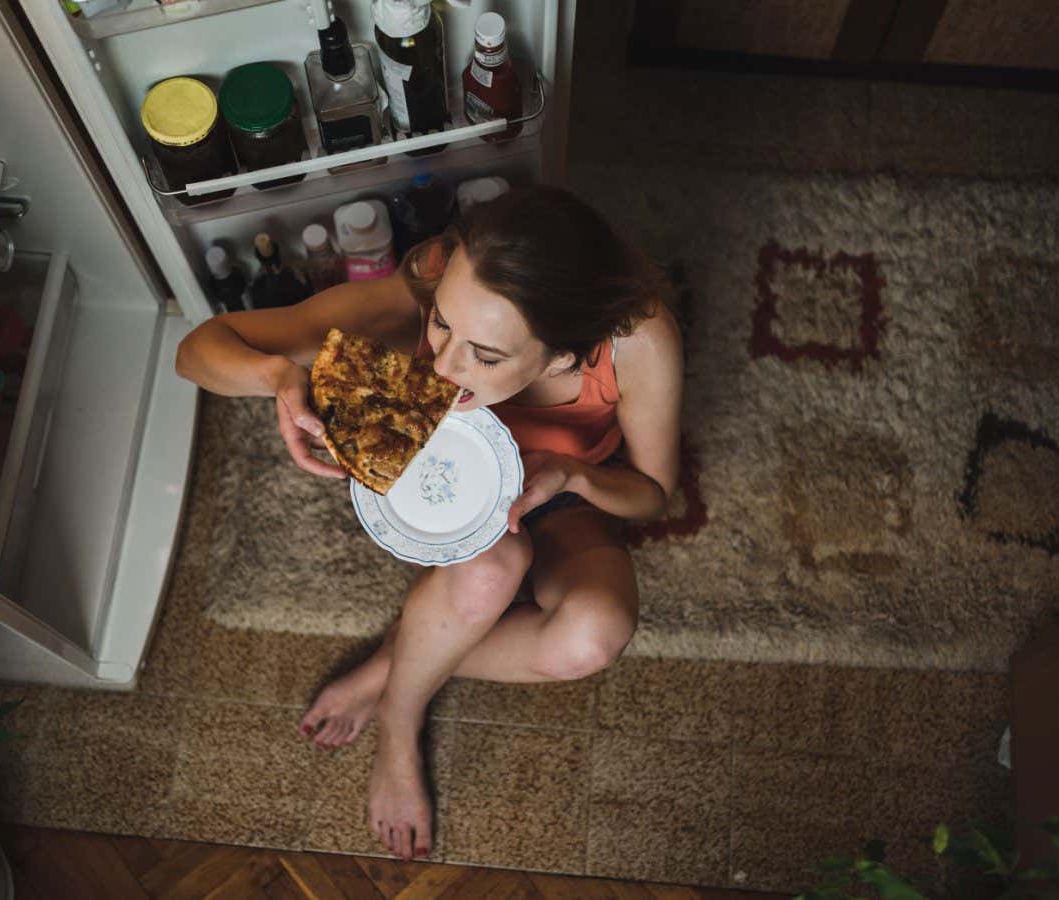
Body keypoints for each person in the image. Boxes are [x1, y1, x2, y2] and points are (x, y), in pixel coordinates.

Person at [174, 186, 683, 863]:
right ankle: (402, 718)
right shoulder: (418, 291)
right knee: (491, 566)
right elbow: (197, 351)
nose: (444, 367)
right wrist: (277, 376)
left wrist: (577, 476)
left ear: (565, 356)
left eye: (487, 355)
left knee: (593, 637)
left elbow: (652, 494)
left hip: (558, 495)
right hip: (427, 482)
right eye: (444, 324)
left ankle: (401, 654)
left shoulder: (636, 338)